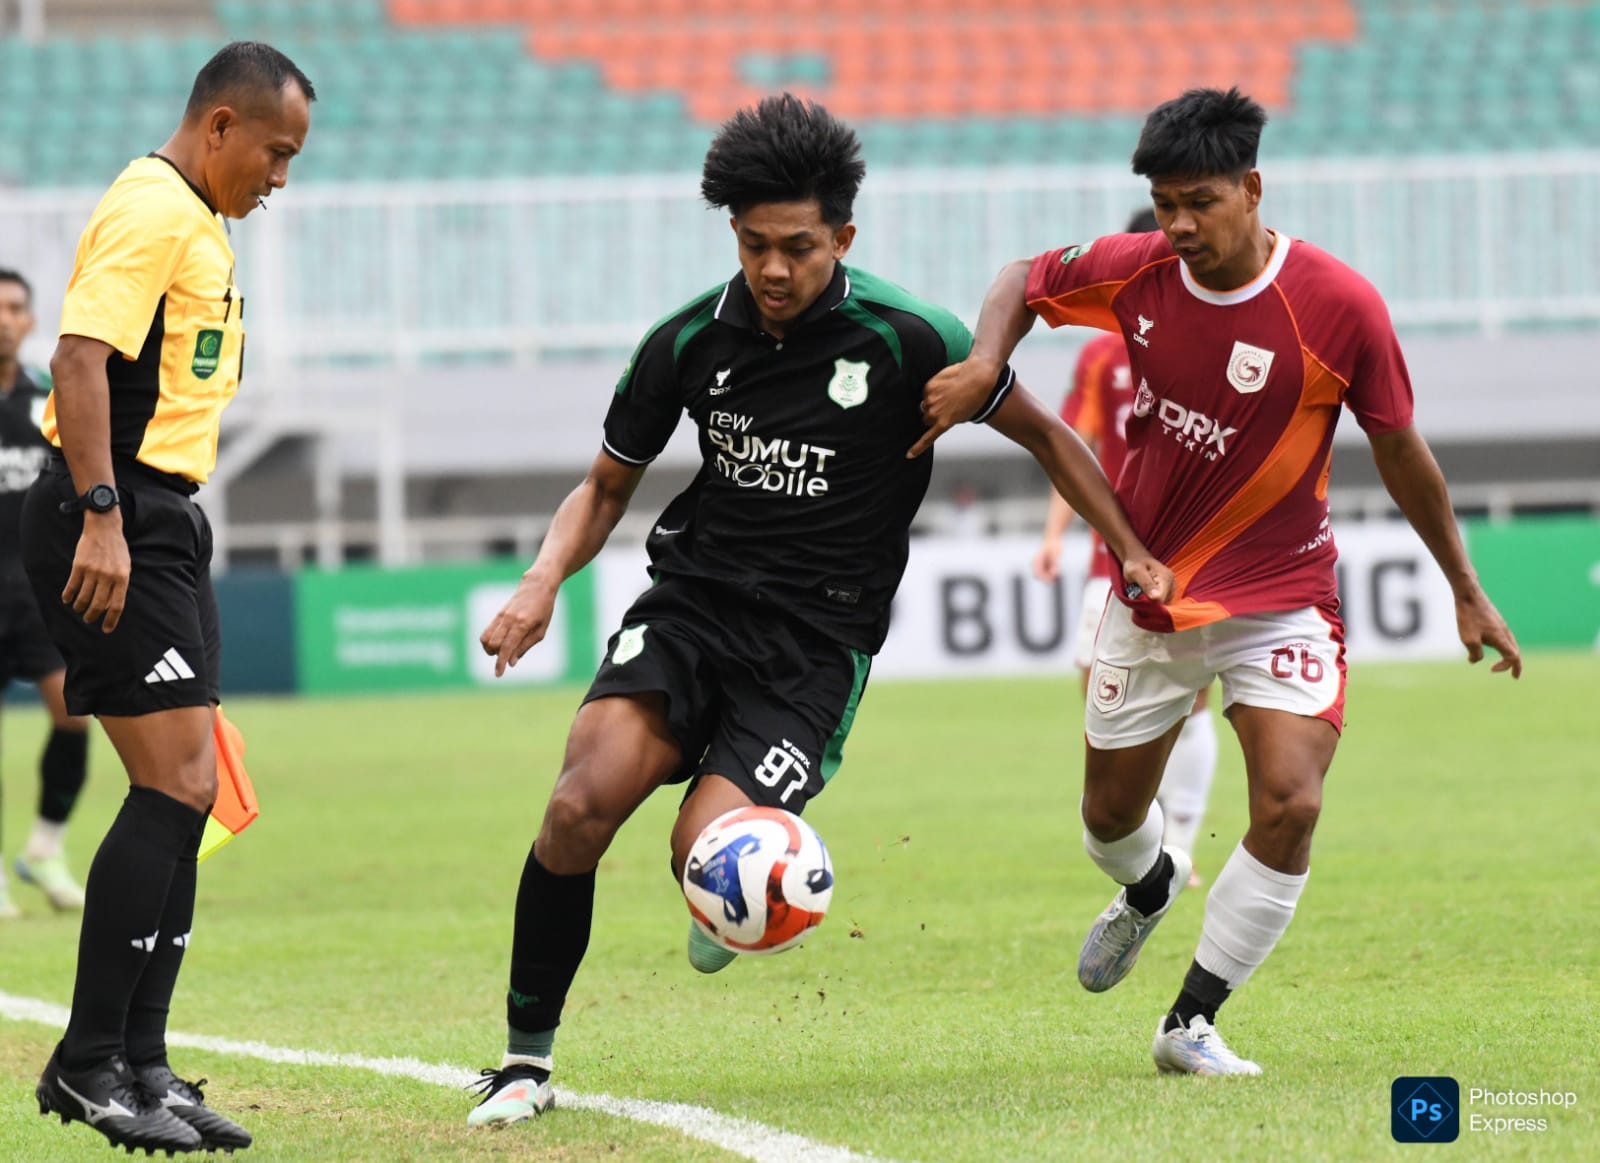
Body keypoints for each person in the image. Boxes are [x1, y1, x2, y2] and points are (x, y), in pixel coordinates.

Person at [468, 93, 1175, 1125]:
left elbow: (1049, 438)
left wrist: (1131, 549)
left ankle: (723, 885)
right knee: (577, 807)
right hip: (692, 609)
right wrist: (541, 580)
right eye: (753, 244)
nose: (773, 268)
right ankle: (525, 1063)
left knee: (705, 855)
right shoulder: (685, 340)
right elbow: (606, 485)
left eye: (797, 247)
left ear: (842, 237)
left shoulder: (909, 338)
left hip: (811, 648)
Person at [918, 87, 1521, 1076]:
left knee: (1291, 800)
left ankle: (1190, 1018)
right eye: (1165, 205)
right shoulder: (1142, 271)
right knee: (1108, 820)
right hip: (1151, 594)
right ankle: (1151, 882)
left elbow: (1402, 450)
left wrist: (1463, 581)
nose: (1180, 226)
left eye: (1199, 201)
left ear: (1252, 187)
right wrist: (987, 360)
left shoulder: (1339, 307)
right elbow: (1022, 277)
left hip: (1282, 592)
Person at [21, 41, 313, 1154]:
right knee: (178, 783)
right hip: (114, 510)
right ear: (220, 125)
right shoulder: (151, 207)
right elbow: (79, 359)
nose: (279, 177)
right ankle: (88, 1061)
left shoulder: (202, 219)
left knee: (195, 788)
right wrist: (102, 511)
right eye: (275, 153)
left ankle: (142, 1063)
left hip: (164, 515)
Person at [1031, 213, 1217, 889]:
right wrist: (1053, 534)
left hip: (1190, 557)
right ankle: (1151, 834)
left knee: (1192, 701)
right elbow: (1072, 449)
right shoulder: (1101, 356)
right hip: (1109, 557)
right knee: (1104, 700)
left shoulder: (1215, 346)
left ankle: (1182, 842)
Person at [0, 269, 92, 917]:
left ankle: (45, 848)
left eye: (15, 308)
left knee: (73, 713)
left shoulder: (49, 399)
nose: (4, 319)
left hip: (39, 590)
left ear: (31, 321)